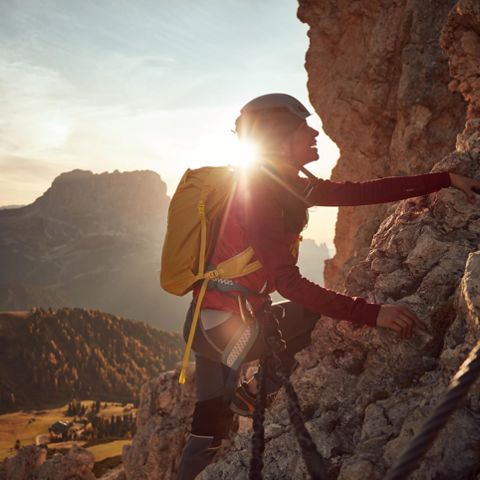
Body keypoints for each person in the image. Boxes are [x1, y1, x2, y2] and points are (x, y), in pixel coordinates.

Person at [176, 93, 480, 479]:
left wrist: (445, 179)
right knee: (307, 317)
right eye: (304, 127)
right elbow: (290, 284)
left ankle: (242, 400)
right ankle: (250, 396)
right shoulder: (262, 195)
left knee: (207, 430)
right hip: (223, 326)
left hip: (211, 320)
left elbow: (363, 192)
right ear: (278, 139)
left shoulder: (283, 184)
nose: (315, 132)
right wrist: (373, 313)